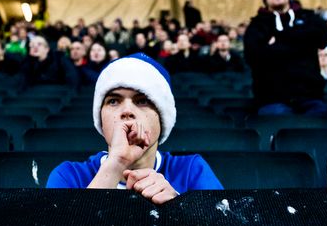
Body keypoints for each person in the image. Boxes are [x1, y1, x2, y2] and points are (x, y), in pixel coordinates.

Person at [46, 53, 223, 203]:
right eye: (113, 101)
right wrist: (115, 164)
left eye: (142, 101)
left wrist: (177, 205)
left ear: (162, 118)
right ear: (100, 117)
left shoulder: (191, 170)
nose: (127, 111)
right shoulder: (69, 176)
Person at [244, 0, 327, 115]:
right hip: (271, 100)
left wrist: (277, 39)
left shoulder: (309, 17)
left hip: (310, 98)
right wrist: (301, 42)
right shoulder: (256, 25)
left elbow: (321, 38)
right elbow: (254, 56)